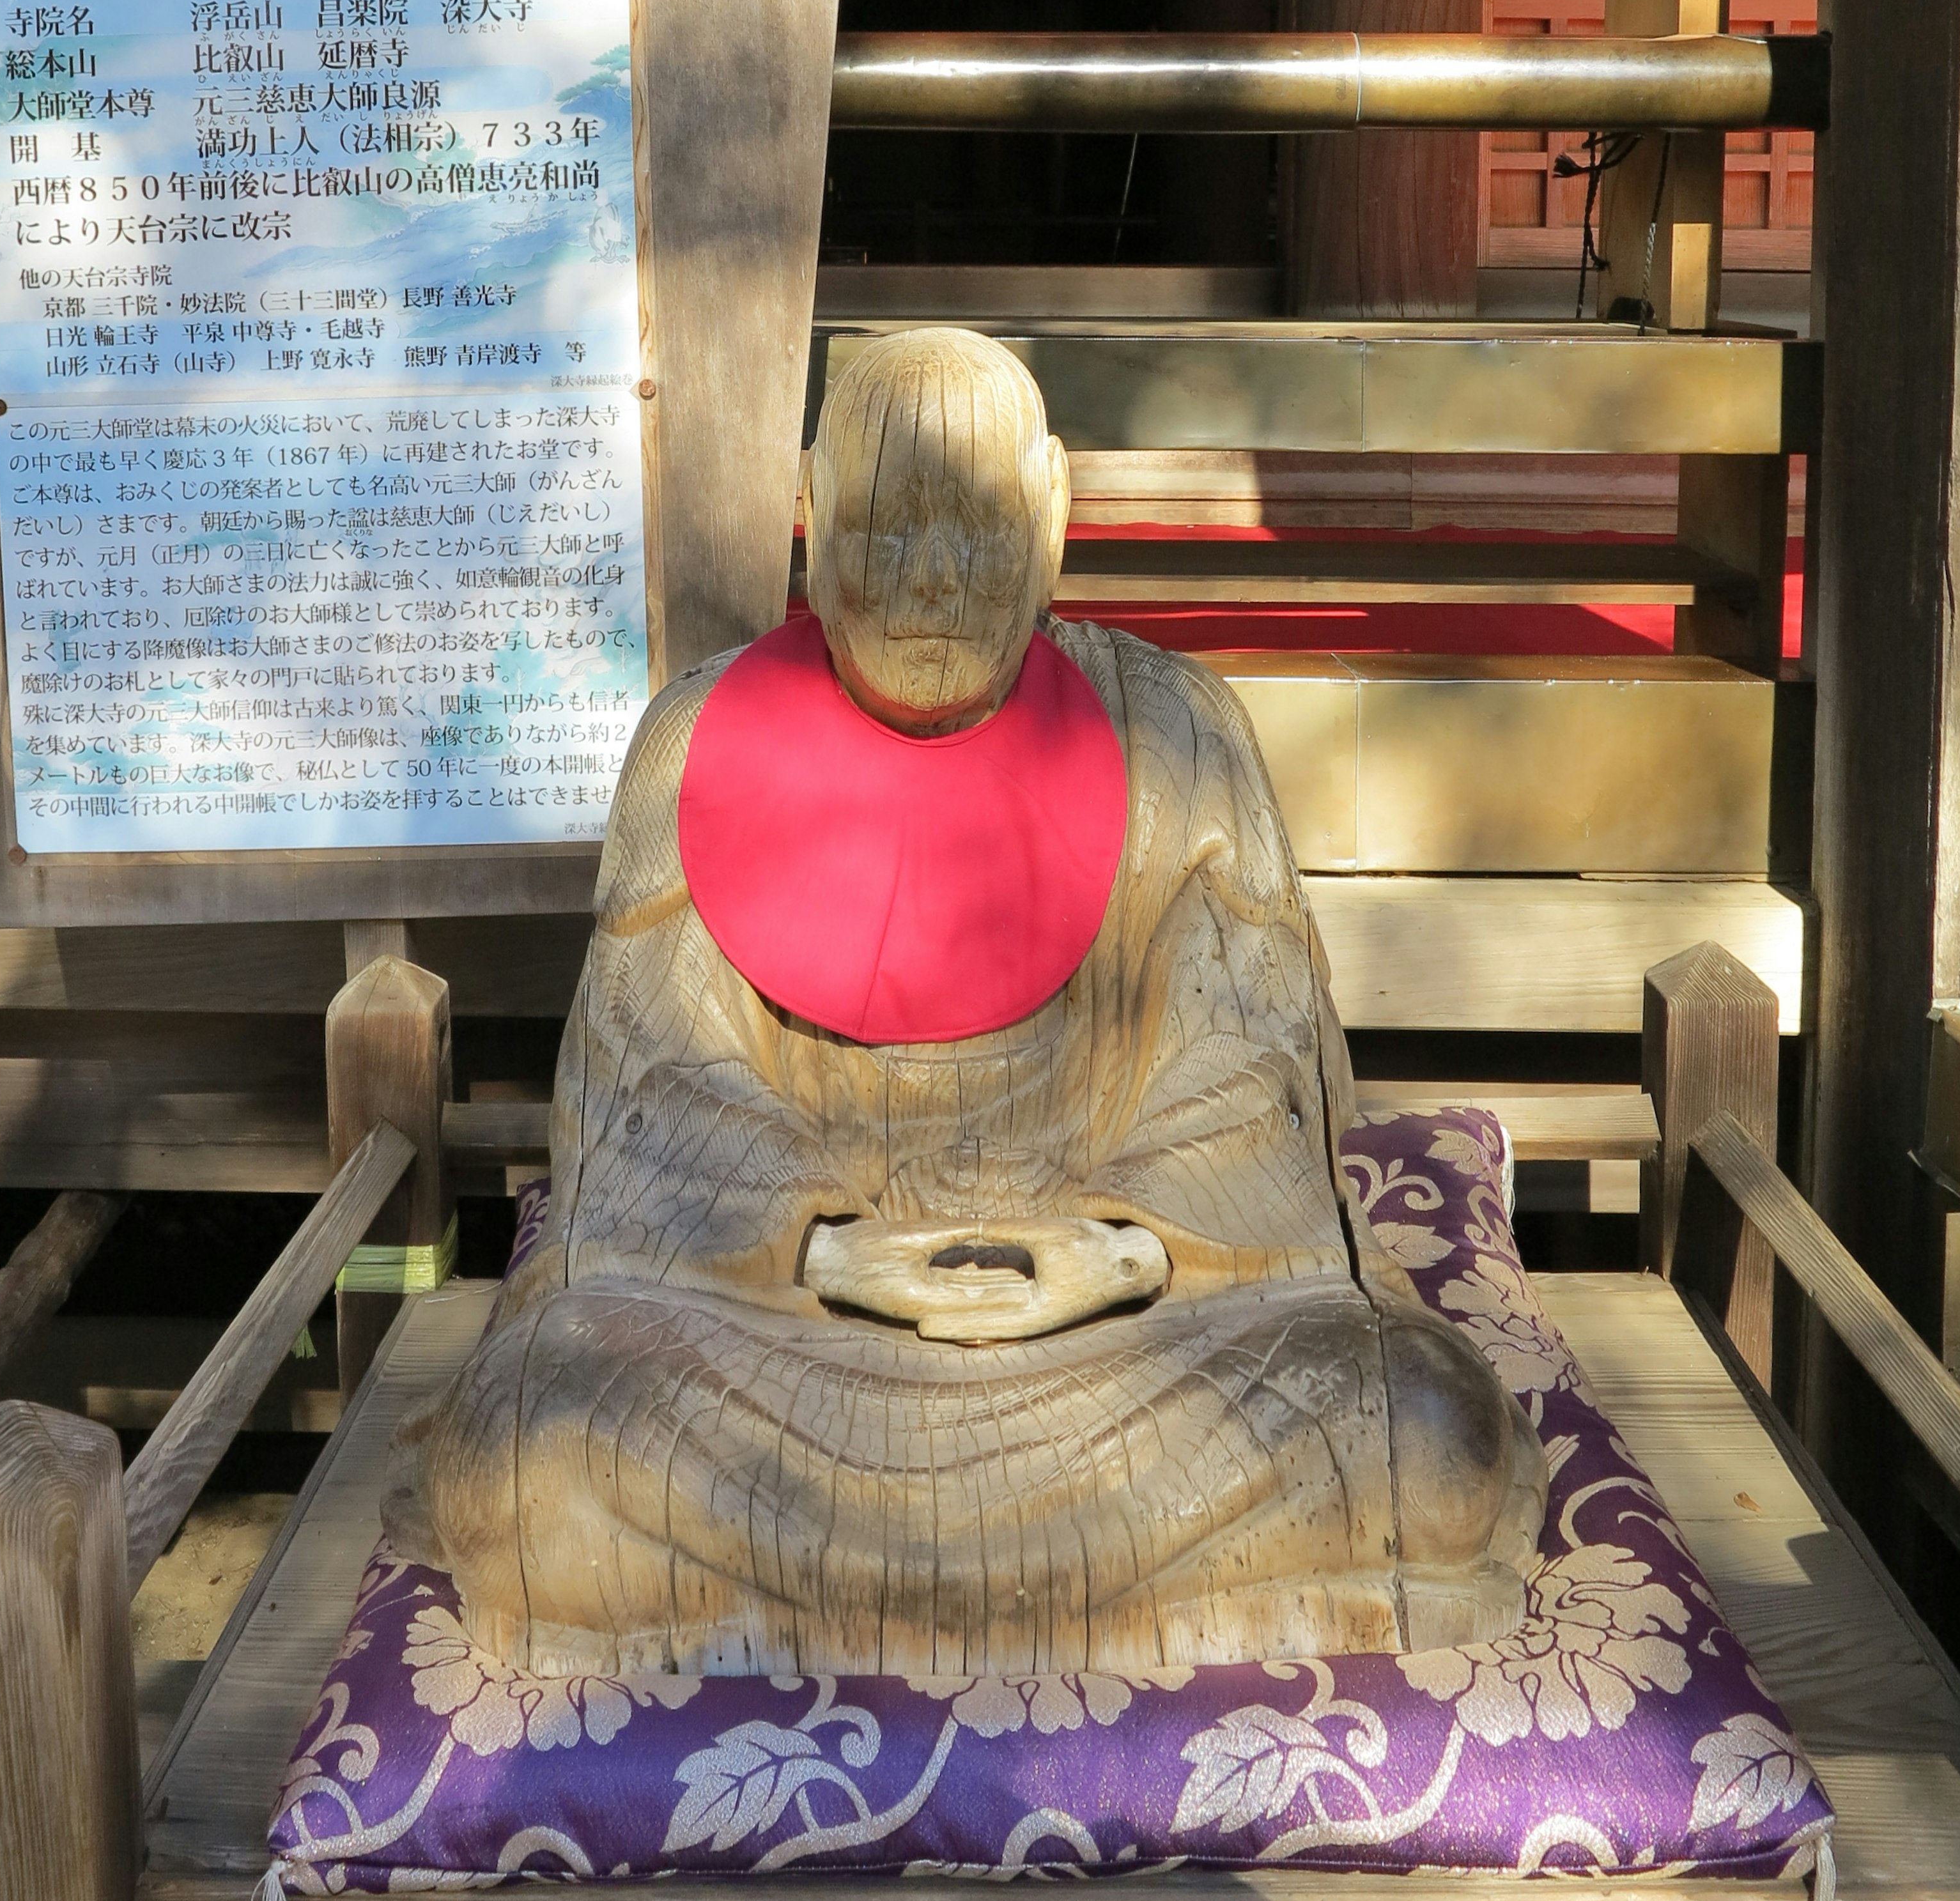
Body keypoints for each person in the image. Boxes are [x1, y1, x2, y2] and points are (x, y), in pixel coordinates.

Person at [385, 326, 1544, 1676]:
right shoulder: (693, 738)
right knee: (534, 1441)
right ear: (811, 511)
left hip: (1133, 1343)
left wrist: (1120, 1253)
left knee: (1421, 1432)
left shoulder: (1177, 733)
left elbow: (1248, 1078)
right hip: (788, 1343)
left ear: (1055, 511)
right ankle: (1095, 1592)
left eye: (979, 528)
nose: (932, 579)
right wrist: (820, 1255)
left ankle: (819, 1598)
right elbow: (653, 1099)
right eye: (886, 526)